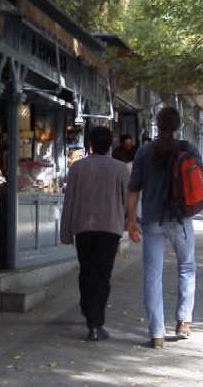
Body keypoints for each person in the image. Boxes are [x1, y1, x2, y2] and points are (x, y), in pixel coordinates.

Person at [127, 106, 203, 349]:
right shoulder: (186, 149)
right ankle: (184, 321)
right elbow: (201, 178)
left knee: (152, 276)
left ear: (157, 124)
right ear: (178, 126)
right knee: (187, 267)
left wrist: (131, 220)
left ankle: (157, 335)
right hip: (181, 220)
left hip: (151, 221)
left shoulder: (143, 152)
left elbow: (133, 190)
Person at [60, 126, 130, 342]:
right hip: (110, 229)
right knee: (103, 275)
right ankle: (95, 323)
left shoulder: (77, 168)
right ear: (110, 145)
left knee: (87, 271)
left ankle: (89, 311)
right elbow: (127, 200)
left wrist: (66, 231)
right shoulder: (120, 169)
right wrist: (129, 224)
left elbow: (69, 200)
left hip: (84, 228)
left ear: (90, 144)